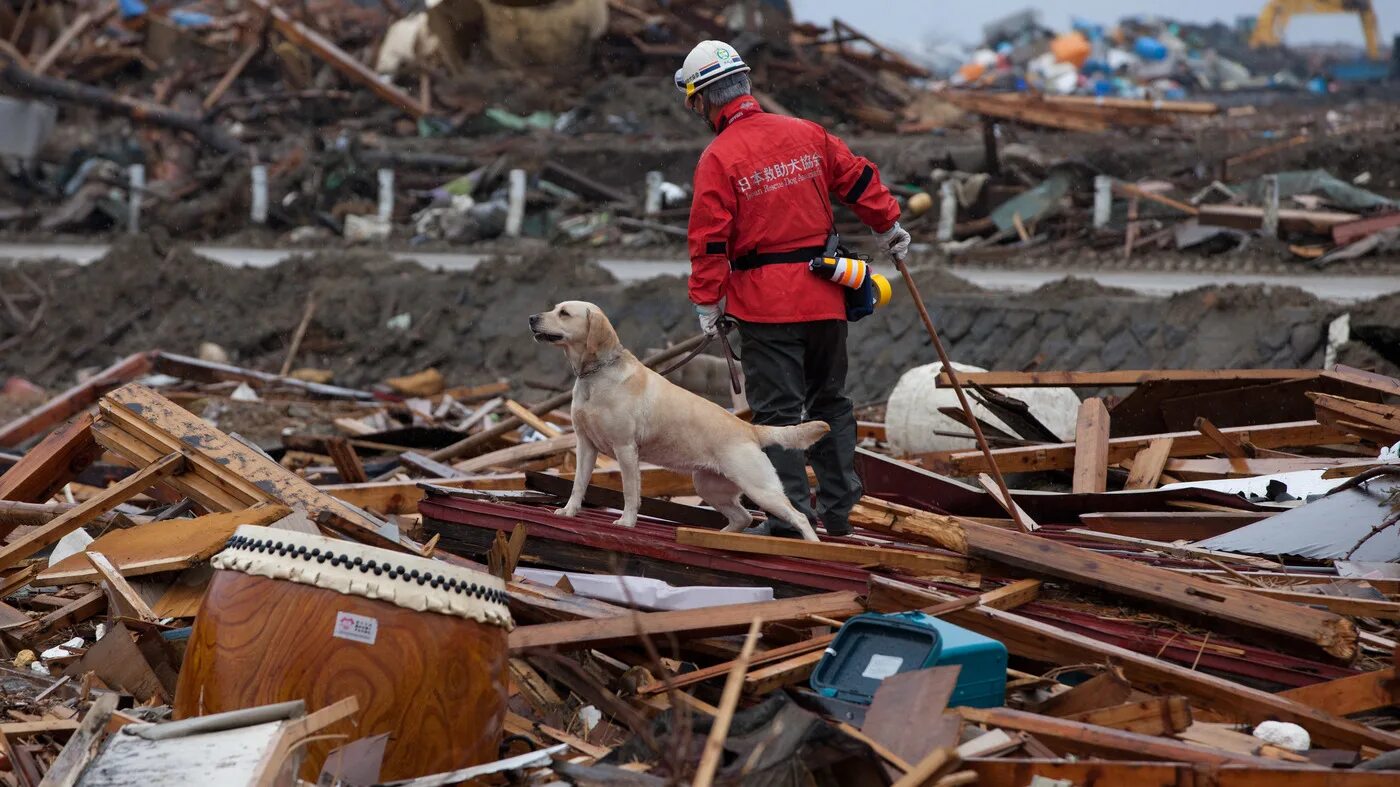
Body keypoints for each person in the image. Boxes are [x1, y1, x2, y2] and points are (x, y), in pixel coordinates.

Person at [676, 40, 911, 538]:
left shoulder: (719, 157)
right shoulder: (806, 133)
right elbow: (858, 179)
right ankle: (841, 514)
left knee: (779, 415)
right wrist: (887, 227)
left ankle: (788, 522)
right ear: (744, 85)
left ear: (704, 99)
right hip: (826, 295)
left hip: (766, 306)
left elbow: (710, 240)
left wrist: (706, 301)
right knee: (831, 402)